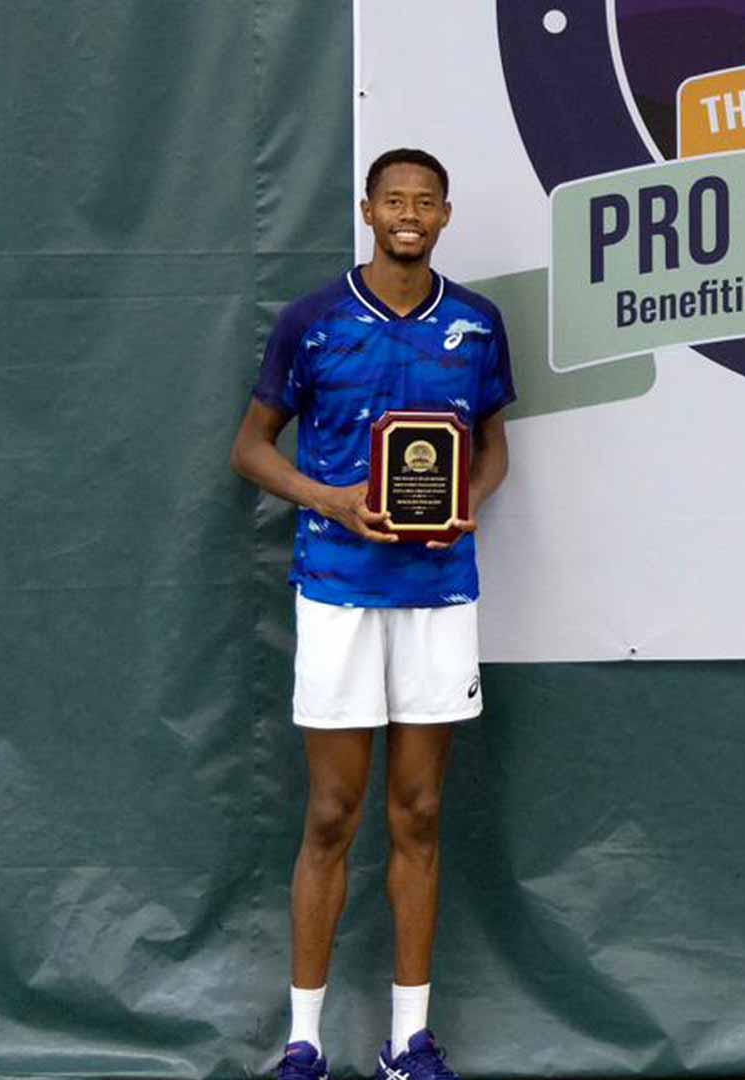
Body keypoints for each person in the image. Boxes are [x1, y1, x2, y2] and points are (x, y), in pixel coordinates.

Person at [230, 147, 515, 1080]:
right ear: (367, 209)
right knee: (331, 813)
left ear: (443, 215)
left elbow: (492, 452)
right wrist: (332, 499)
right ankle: (304, 1041)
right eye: (393, 199)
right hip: (338, 592)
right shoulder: (312, 321)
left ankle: (408, 1042)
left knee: (421, 813)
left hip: (437, 596)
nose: (408, 214)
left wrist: (465, 502)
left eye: (425, 202)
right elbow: (250, 450)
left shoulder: (476, 324)